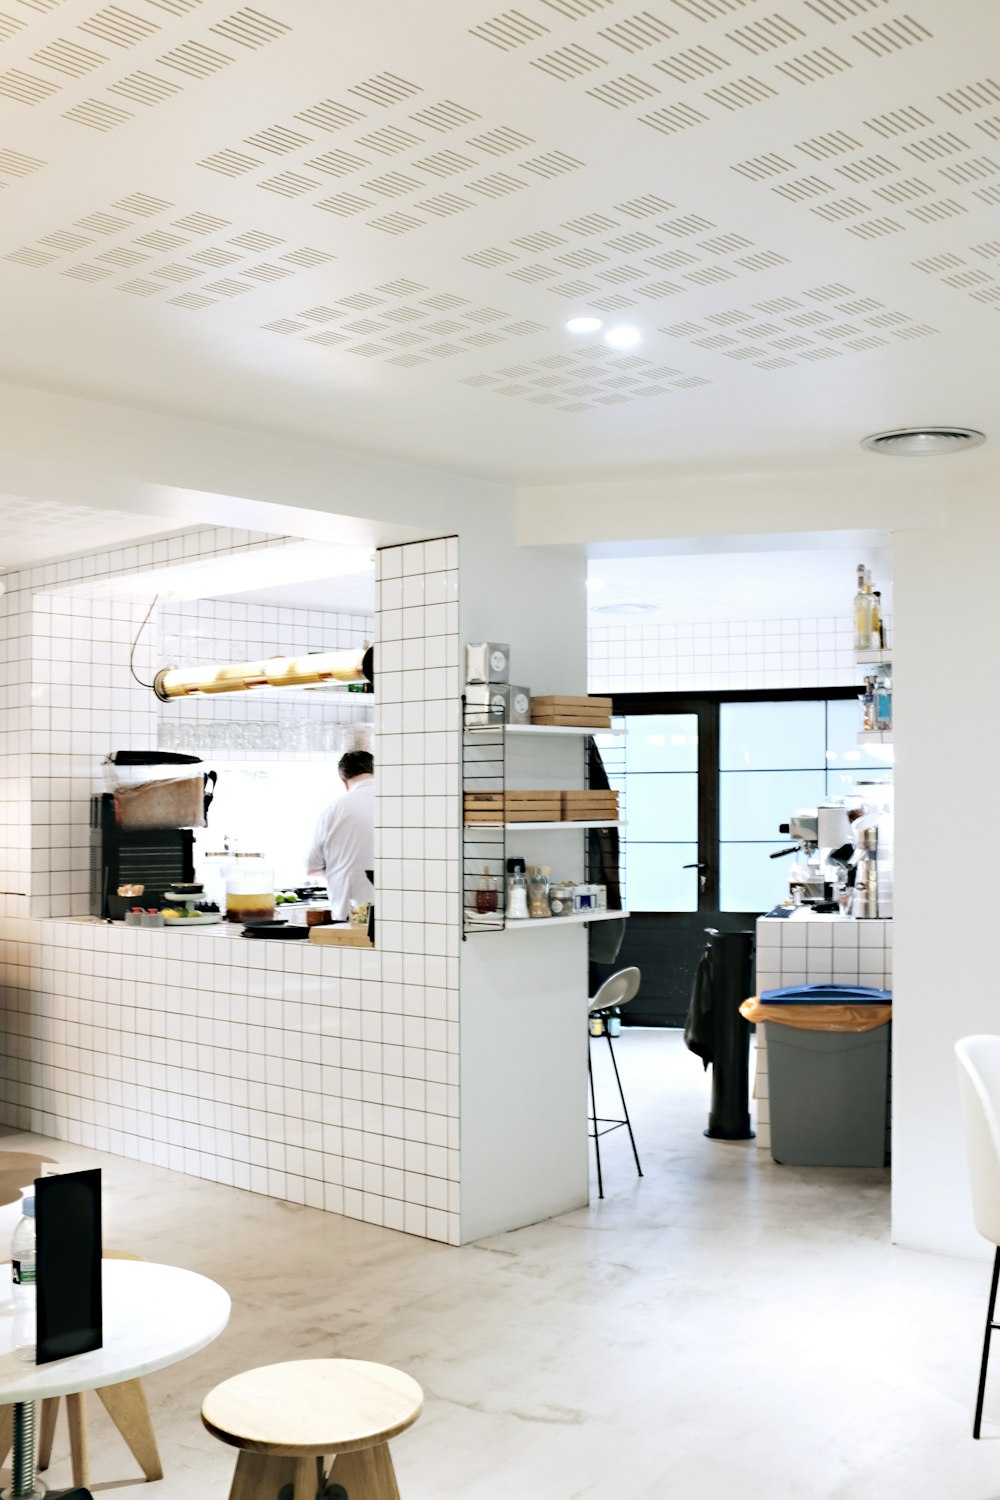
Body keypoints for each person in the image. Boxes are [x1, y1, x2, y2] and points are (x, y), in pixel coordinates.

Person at [306, 750, 375, 919]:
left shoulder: (333, 809)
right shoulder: (401, 801)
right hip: (399, 913)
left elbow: (312, 868)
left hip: (350, 914)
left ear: (344, 782)